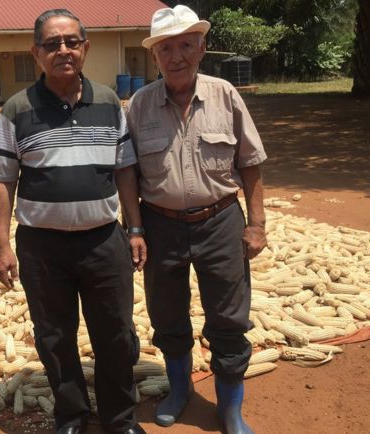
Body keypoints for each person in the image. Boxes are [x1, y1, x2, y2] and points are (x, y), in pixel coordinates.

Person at [0, 9, 146, 434]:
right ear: (36, 52)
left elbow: (125, 168)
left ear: (85, 48)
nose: (63, 51)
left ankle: (120, 418)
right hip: (42, 247)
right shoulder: (17, 109)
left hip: (103, 242)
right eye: (52, 44)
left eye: (71, 42)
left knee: (114, 333)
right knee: (54, 337)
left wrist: (135, 227)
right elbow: (1, 179)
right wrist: (2, 245)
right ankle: (72, 415)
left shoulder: (109, 101)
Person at [118, 5, 268, 434]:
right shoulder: (141, 105)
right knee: (167, 314)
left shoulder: (225, 94)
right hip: (160, 224)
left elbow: (251, 162)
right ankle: (180, 391)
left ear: (201, 49)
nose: (177, 55)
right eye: (167, 48)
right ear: (155, 56)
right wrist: (135, 227)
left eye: (186, 45)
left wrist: (256, 223)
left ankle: (230, 410)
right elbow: (127, 173)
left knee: (229, 317)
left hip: (220, 221)